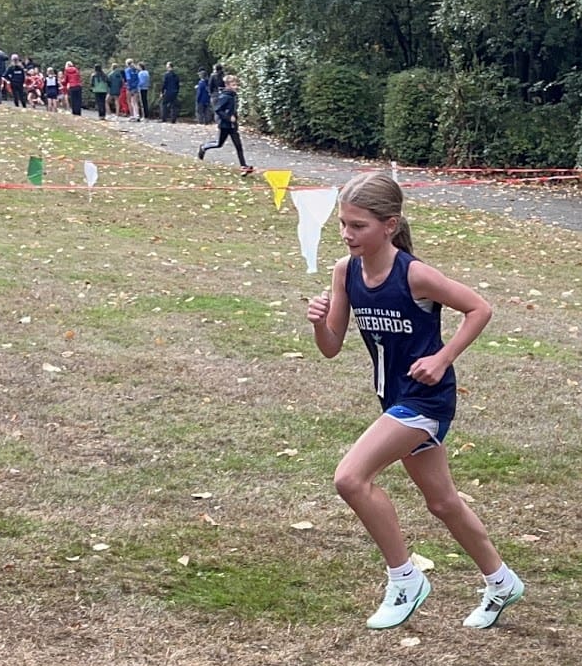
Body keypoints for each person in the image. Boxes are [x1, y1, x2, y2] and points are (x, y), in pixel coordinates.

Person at [304, 171, 526, 631]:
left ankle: (405, 580)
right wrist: (317, 321)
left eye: (358, 226)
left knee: (350, 478)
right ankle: (502, 581)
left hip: (427, 400)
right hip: (393, 398)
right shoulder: (345, 272)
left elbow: (479, 308)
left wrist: (443, 358)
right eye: (343, 224)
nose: (347, 234)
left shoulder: (415, 275)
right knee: (442, 502)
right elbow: (331, 347)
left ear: (390, 225)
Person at [198, 74, 250, 170]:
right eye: (233, 85)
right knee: (219, 144)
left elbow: (232, 109)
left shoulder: (233, 96)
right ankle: (204, 147)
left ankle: (243, 165)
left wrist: (235, 117)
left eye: (236, 85)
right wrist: (228, 118)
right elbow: (217, 109)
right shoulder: (225, 96)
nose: (236, 87)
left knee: (238, 145)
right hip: (224, 125)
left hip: (233, 126)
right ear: (227, 85)